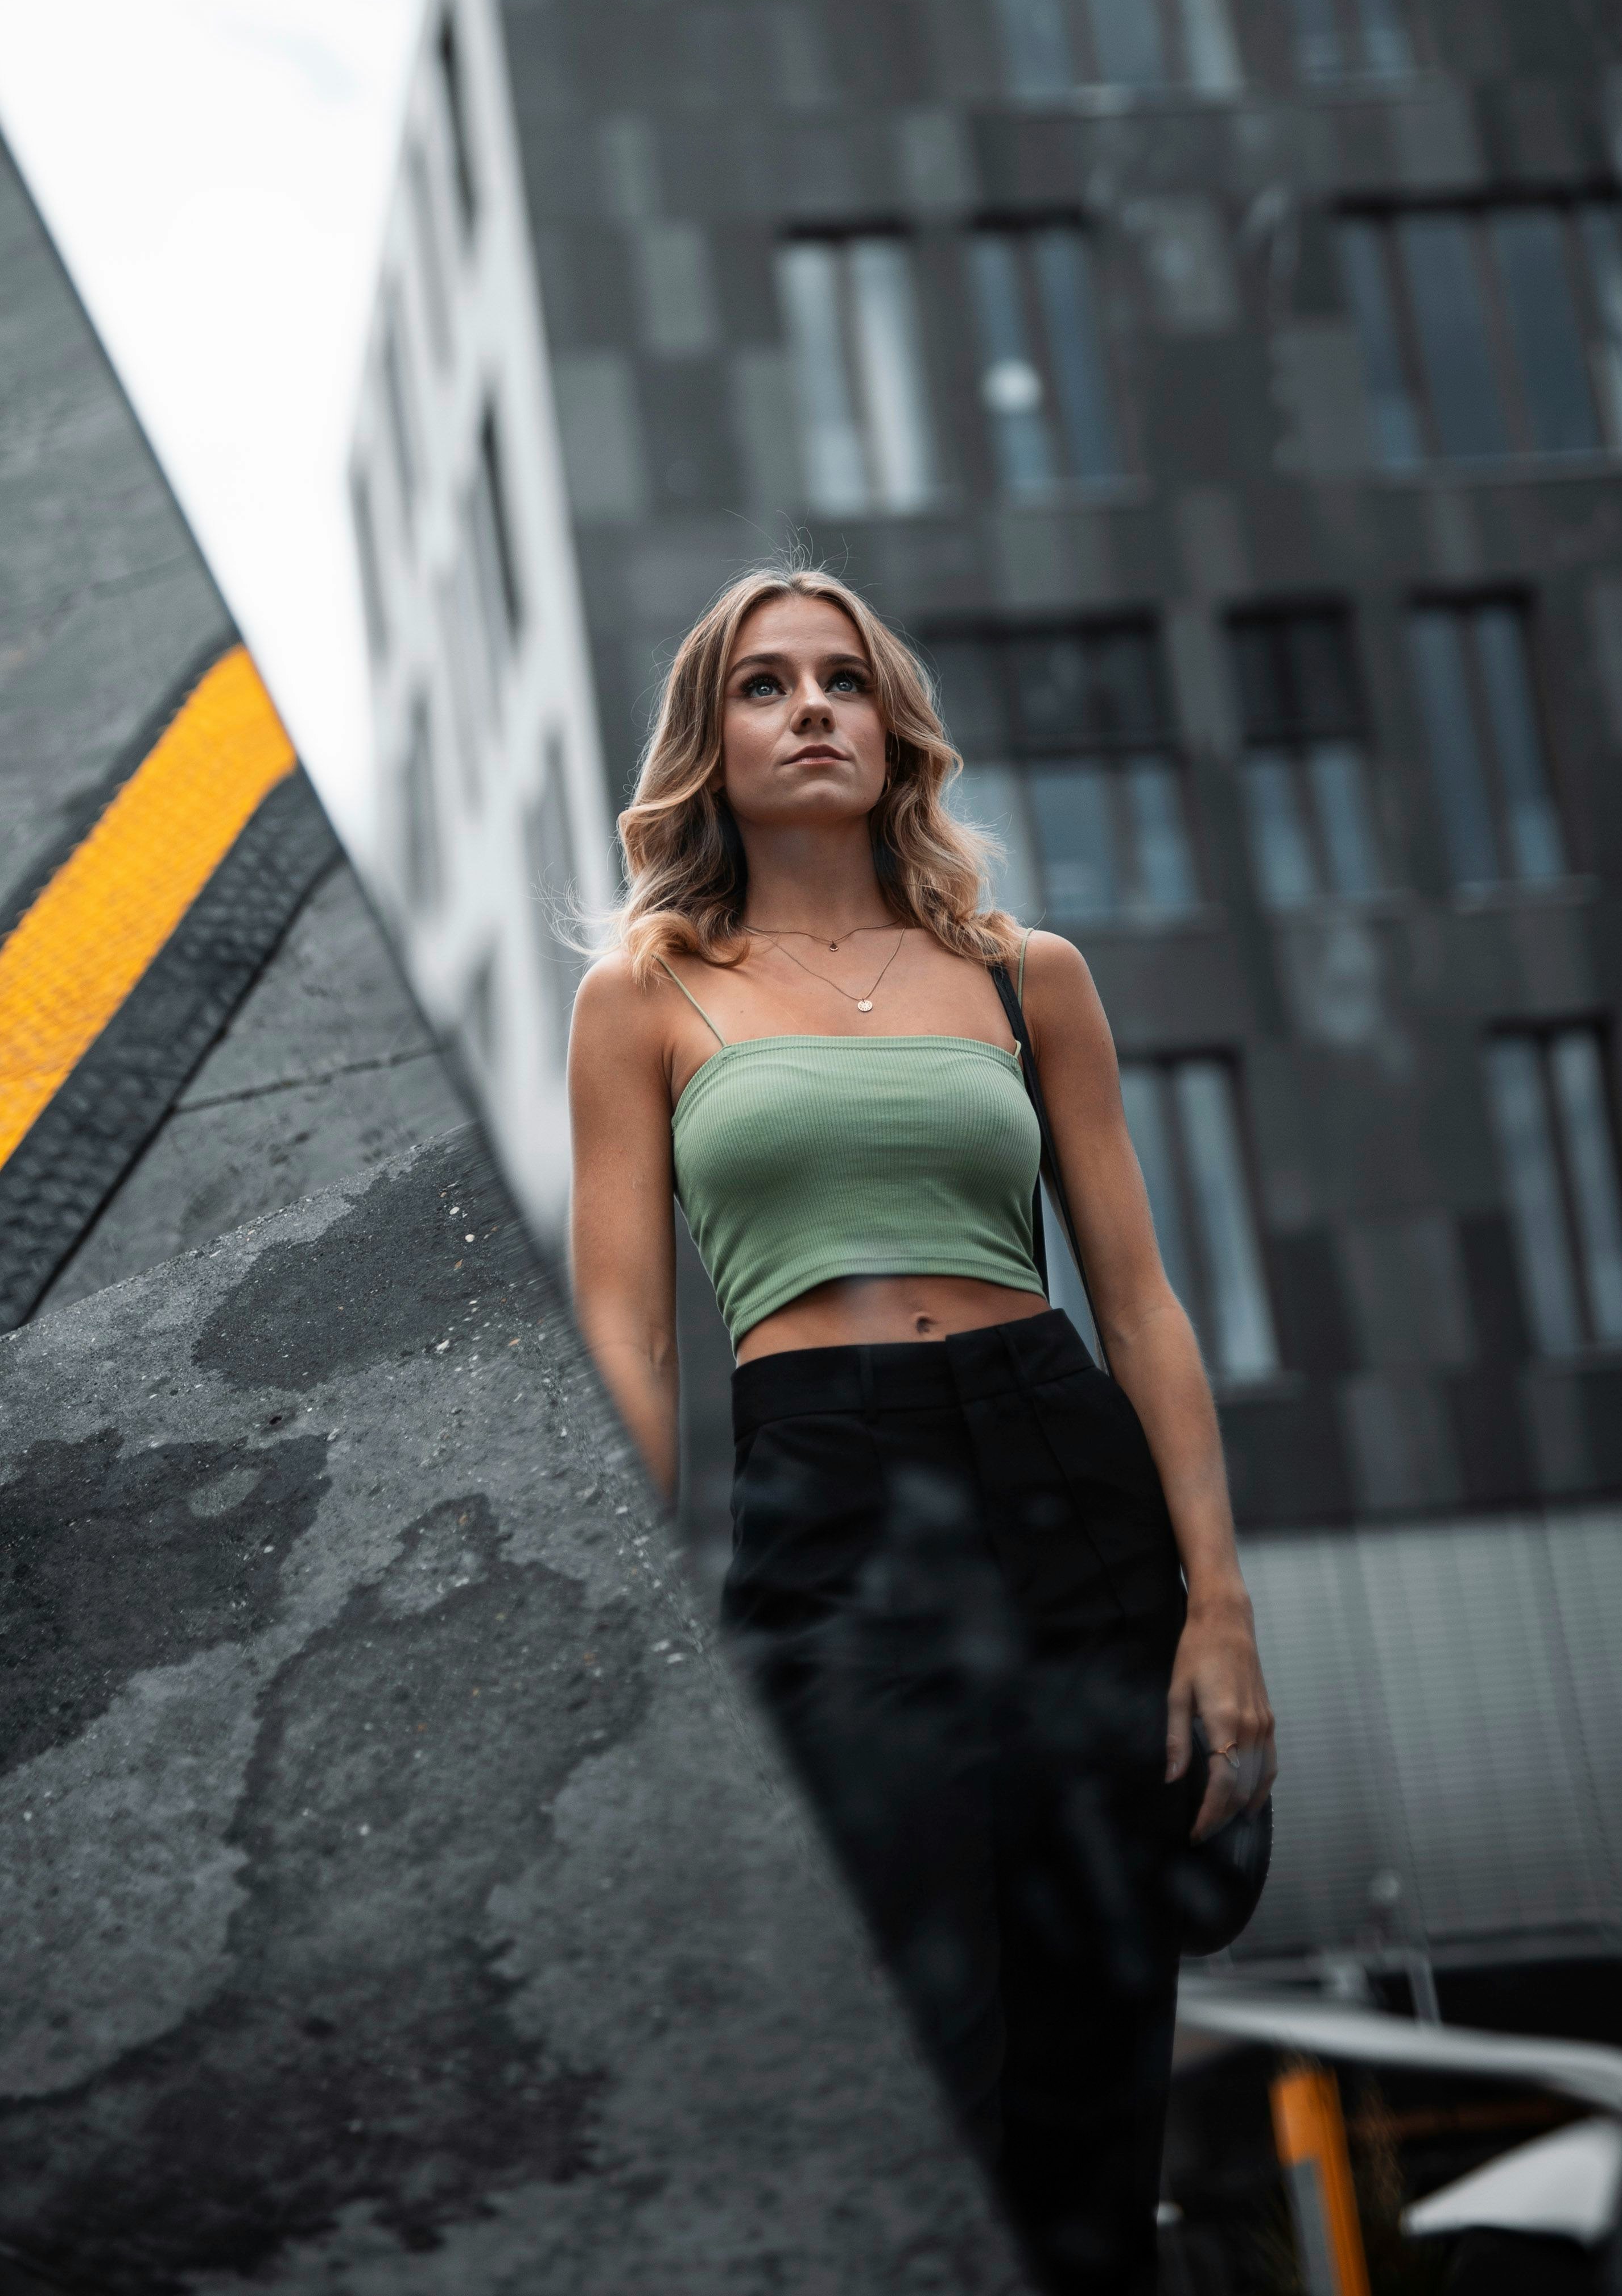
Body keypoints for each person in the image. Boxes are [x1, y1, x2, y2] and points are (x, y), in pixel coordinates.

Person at [569, 566, 1278, 2296]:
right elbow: (626, 1349)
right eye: (761, 685)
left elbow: (1141, 1302)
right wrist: (616, 1665)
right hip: (825, 1498)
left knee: (1092, 2078)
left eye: (840, 680)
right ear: (708, 743)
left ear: (890, 730)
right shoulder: (644, 996)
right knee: (910, 2054)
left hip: (1060, 1478)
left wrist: (1217, 1605)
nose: (807, 706)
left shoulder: (1022, 975)